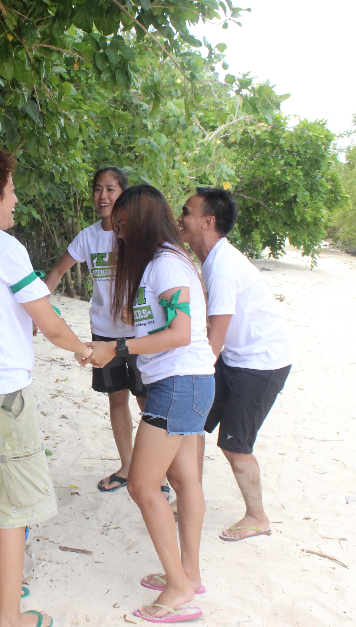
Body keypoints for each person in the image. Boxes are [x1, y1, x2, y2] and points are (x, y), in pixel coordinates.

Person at [0, 151, 92, 627]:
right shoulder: (2, 246)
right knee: (13, 506)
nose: (16, 200)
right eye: (11, 191)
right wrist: (84, 349)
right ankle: (11, 618)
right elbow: (48, 322)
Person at [89, 185, 214, 624]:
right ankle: (188, 574)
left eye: (123, 226)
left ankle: (178, 586)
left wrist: (117, 348)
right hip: (183, 382)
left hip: (179, 383)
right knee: (184, 480)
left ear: (142, 222)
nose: (119, 234)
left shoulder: (166, 264)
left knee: (143, 486)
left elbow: (180, 333)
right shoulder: (158, 264)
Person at [177, 187, 292, 542]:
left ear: (207, 222)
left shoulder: (224, 267)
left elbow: (216, 335)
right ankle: (191, 497)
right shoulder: (212, 260)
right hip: (238, 357)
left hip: (262, 363)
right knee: (194, 425)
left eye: (187, 212)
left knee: (234, 444)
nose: (180, 218)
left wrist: (193, 375)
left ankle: (257, 517)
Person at [44, 167, 146, 493]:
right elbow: (57, 272)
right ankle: (127, 467)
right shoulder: (88, 237)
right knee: (117, 400)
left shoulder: (137, 234)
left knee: (147, 403)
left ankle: (154, 472)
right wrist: (37, 306)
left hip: (140, 333)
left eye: (111, 189)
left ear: (123, 194)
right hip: (103, 333)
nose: (103, 196)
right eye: (98, 189)